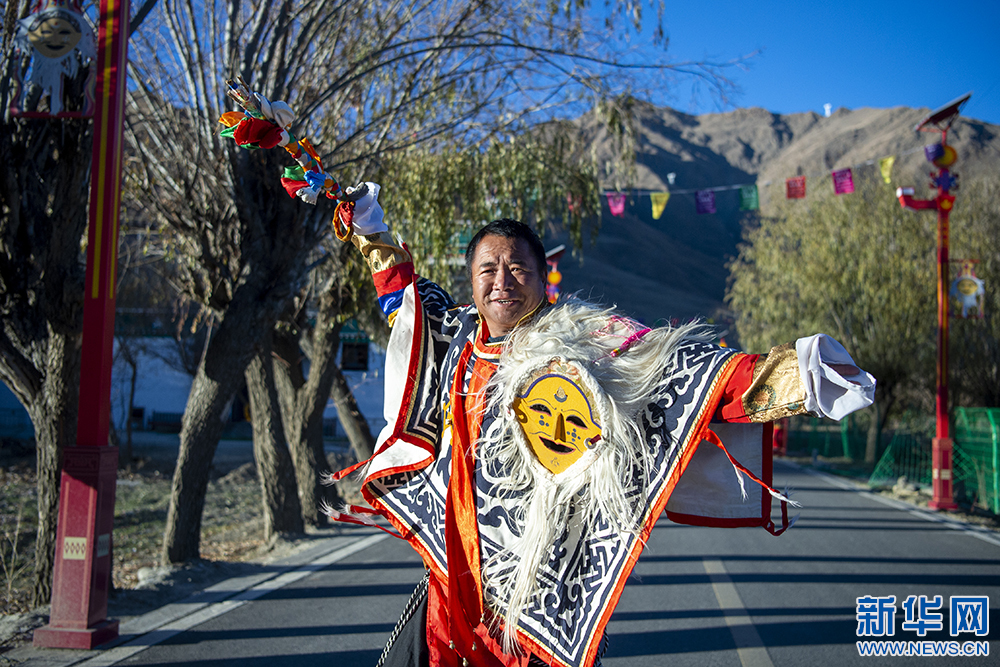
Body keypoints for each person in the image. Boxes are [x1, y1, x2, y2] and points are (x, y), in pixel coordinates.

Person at [327, 183, 876, 667]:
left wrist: (800, 377)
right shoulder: (453, 340)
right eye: (487, 269)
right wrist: (369, 228)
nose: (502, 281)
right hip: (454, 581)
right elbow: (405, 305)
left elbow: (682, 373)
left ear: (543, 279)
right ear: (471, 282)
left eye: (517, 268)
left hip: (541, 587)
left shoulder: (585, 341)